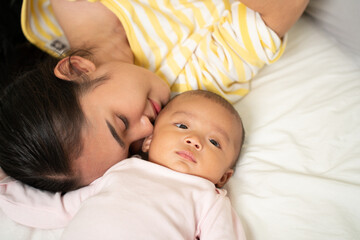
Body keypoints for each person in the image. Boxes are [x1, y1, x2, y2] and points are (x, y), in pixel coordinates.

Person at [0, 0, 308, 192]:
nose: (148, 128)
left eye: (121, 122)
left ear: (76, 69)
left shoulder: (45, 18)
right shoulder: (192, 83)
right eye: (135, 147)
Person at [0, 90, 246, 239]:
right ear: (149, 141)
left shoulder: (207, 199)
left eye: (215, 142)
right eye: (182, 126)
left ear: (223, 177)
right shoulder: (121, 171)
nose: (194, 140)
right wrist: (7, 187)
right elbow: (61, 208)